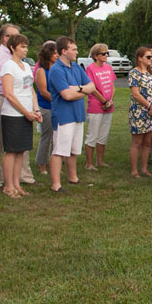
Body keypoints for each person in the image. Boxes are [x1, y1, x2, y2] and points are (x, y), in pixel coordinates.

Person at [0, 24, 35, 189]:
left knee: (19, 142)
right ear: (5, 39)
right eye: (13, 36)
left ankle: (22, 176)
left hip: (19, 99)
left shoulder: (20, 59)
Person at [48, 36, 96, 190]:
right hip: (63, 116)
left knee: (73, 149)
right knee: (59, 150)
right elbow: (66, 95)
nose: (77, 52)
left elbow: (91, 86)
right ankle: (55, 184)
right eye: (73, 49)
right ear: (63, 51)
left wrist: (77, 88)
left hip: (77, 113)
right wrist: (83, 90)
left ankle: (72, 177)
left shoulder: (76, 67)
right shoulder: (56, 70)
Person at [0, 34, 41, 197]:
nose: (25, 50)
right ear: (13, 48)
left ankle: (17, 183)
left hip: (27, 114)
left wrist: (35, 110)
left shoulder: (26, 66)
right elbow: (9, 94)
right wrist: (25, 112)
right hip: (12, 114)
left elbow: (30, 90)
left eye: (26, 46)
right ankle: (8, 186)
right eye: (22, 47)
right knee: (11, 151)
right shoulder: (8, 66)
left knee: (21, 151)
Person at [128, 46, 152, 178]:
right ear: (139, 58)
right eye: (148, 57)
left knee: (147, 142)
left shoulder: (151, 73)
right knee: (137, 142)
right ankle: (134, 170)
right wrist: (149, 106)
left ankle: (144, 168)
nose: (151, 59)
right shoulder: (134, 73)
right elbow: (136, 94)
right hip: (139, 111)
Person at [83, 43, 115, 171]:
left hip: (109, 105)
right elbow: (92, 88)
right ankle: (89, 163)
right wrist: (103, 101)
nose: (106, 55)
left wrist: (110, 100)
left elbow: (112, 85)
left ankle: (100, 161)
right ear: (95, 56)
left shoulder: (108, 68)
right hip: (96, 106)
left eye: (107, 53)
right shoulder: (90, 69)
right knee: (92, 134)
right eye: (103, 53)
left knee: (103, 135)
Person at [33, 41, 57, 176]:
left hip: (57, 108)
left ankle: (55, 164)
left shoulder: (58, 69)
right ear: (48, 55)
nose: (57, 56)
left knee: (57, 137)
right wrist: (58, 101)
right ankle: (42, 165)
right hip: (46, 107)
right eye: (55, 53)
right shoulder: (42, 71)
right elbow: (43, 91)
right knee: (46, 136)